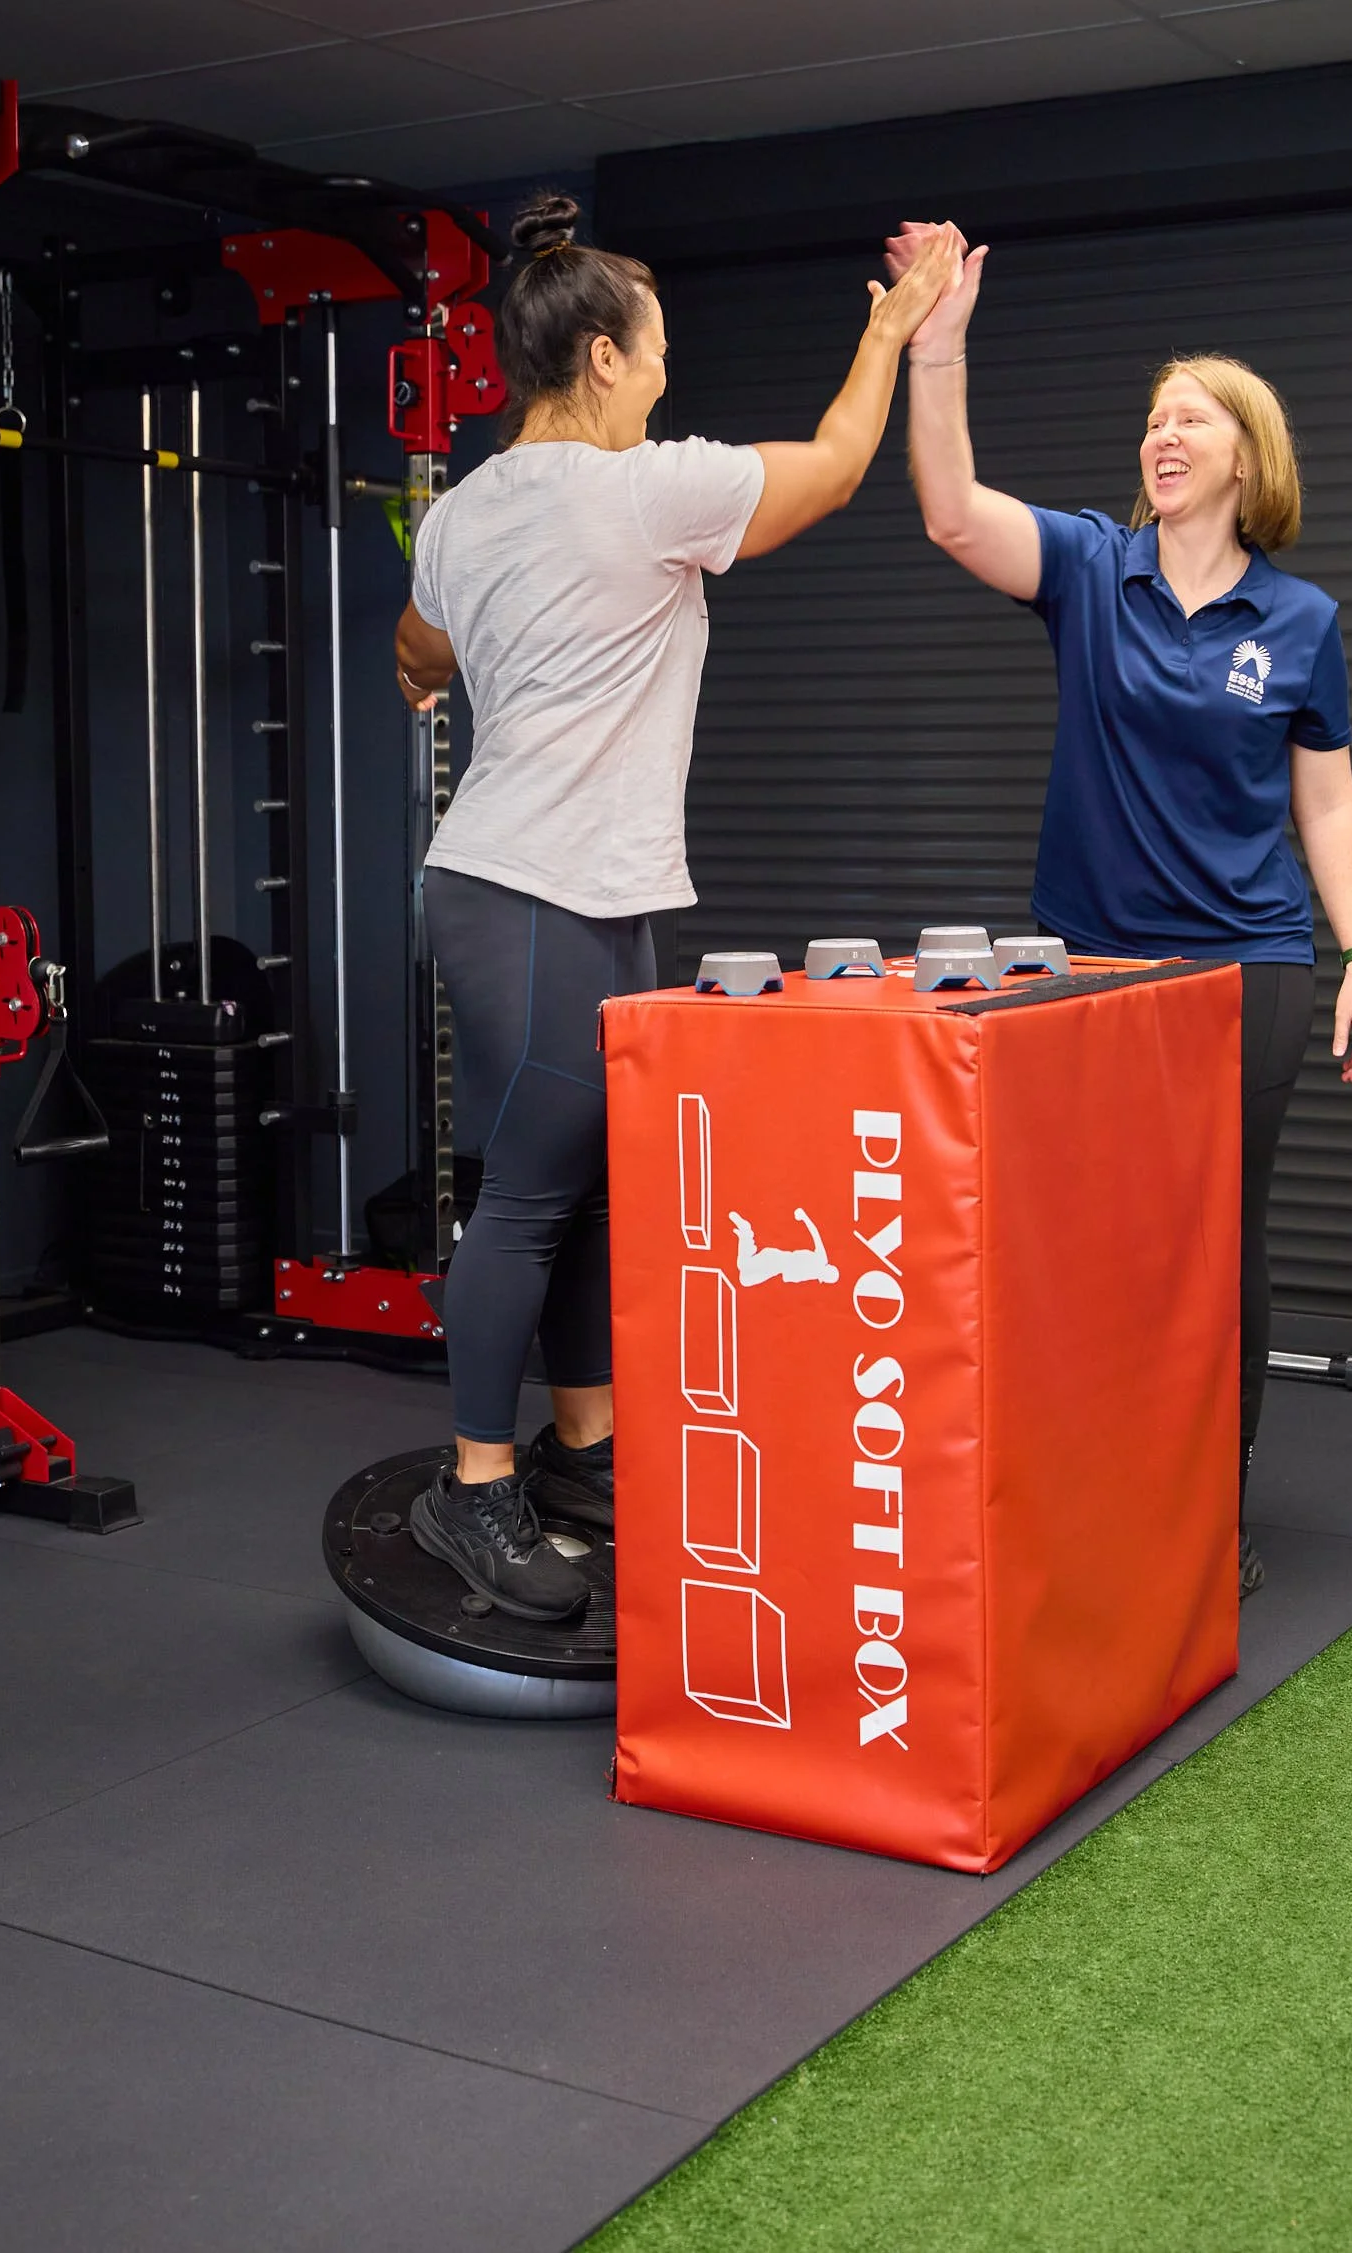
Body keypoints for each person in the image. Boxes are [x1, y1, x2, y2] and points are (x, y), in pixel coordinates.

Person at [394, 194, 959, 1617]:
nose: (662, 378)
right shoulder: (639, 489)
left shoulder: (460, 511)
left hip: (552, 882)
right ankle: (474, 1492)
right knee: (523, 1200)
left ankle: (582, 1453)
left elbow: (421, 640)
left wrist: (423, 676)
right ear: (598, 359)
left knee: (582, 1186)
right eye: (652, 356)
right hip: (535, 889)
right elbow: (833, 469)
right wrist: (892, 323)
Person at [889, 224, 1352, 1598]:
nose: (1163, 434)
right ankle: (1088, 1487)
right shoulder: (1084, 572)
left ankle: (1204, 1513)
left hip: (1245, 969)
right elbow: (946, 509)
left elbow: (1325, 805)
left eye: (1192, 419)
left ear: (1246, 457)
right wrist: (940, 347)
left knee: (1211, 1245)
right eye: (1153, 419)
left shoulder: (1299, 621)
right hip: (1084, 968)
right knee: (1080, 1240)